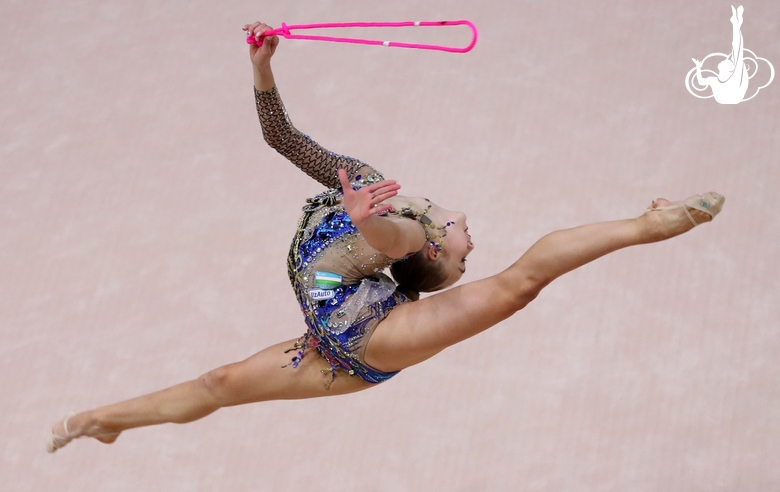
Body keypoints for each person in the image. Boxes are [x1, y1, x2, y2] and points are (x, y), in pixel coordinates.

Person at [46, 21, 725, 453]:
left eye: (464, 252)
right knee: (217, 381)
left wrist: (365, 218)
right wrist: (262, 67)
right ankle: (100, 422)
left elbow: (387, 238)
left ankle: (648, 223)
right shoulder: (372, 185)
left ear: (433, 251)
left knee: (519, 285)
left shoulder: (396, 227)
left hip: (365, 345)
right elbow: (283, 138)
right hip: (325, 336)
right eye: (469, 245)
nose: (470, 242)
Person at [692, 5, 748, 104]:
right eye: (727, 61)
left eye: (726, 62)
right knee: (737, 51)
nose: (724, 60)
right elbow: (701, 82)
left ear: (728, 69)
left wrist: (698, 68)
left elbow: (737, 49)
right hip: (729, 97)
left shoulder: (731, 77)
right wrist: (698, 67)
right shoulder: (716, 80)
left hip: (732, 96)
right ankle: (736, 23)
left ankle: (736, 23)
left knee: (737, 51)